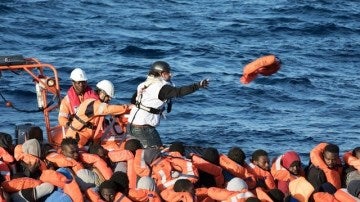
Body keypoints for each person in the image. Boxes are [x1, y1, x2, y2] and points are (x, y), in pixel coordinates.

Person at [128, 61, 210, 148]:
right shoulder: (160, 87)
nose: (170, 74)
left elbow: (134, 101)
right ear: (162, 74)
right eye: (168, 72)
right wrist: (197, 85)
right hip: (143, 128)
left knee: (142, 151)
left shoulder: (144, 84)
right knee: (157, 152)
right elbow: (179, 92)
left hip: (131, 126)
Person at [65, 80, 132, 148]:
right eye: (108, 96)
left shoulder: (96, 103)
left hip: (85, 138)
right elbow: (108, 109)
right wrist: (127, 107)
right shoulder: (94, 104)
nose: (109, 99)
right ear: (102, 93)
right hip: (75, 140)